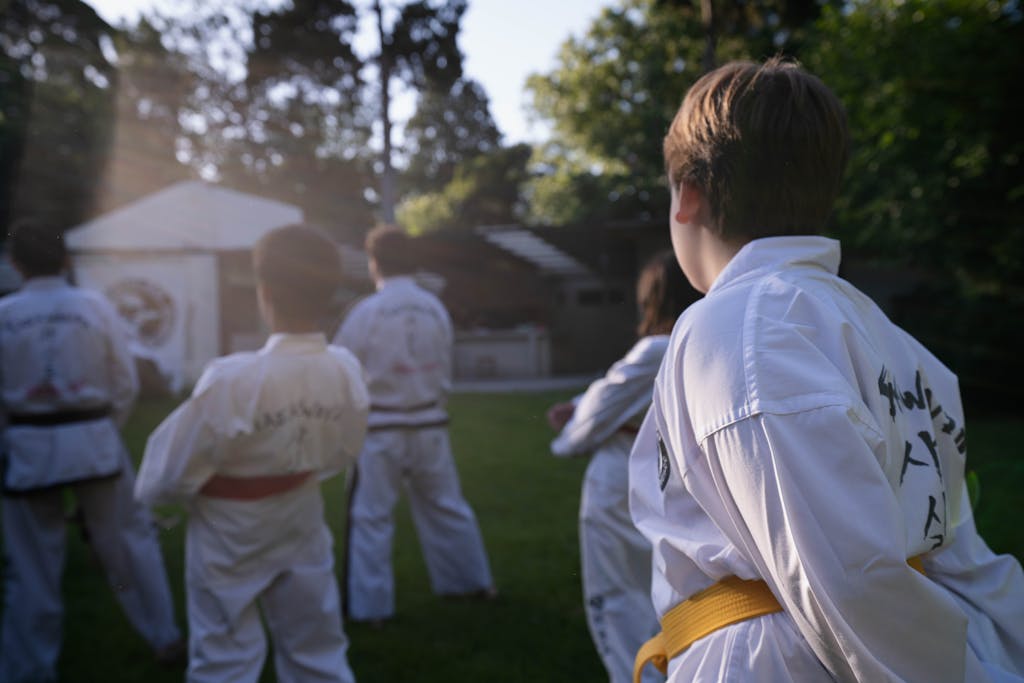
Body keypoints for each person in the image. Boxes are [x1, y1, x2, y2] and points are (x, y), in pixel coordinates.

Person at [630, 58, 1024, 683]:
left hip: (783, 660)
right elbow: (957, 554)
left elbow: (841, 575)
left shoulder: (739, 328)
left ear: (689, 195)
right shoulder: (895, 344)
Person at [135, 224, 369, 683]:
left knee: (224, 652)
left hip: (229, 527)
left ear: (265, 293)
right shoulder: (344, 368)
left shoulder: (231, 379)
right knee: (315, 643)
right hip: (301, 511)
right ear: (329, 293)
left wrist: (172, 495)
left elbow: (168, 472)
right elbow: (345, 446)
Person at [0, 218, 183, 683]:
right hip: (93, 440)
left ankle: (30, 669)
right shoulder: (94, 306)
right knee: (126, 542)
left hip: (28, 445)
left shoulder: (5, 315)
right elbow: (124, 381)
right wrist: (104, 425)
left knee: (31, 564)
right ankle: (162, 636)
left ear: (16, 264)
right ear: (65, 259)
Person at [334, 225, 495, 624]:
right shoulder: (433, 308)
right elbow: (446, 363)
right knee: (447, 506)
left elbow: (340, 368)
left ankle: (371, 609)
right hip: (429, 424)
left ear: (374, 263)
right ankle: (471, 583)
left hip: (381, 430)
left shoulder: (365, 312)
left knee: (370, 518)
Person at [548, 250, 692, 683]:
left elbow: (598, 410)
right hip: (683, 479)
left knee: (617, 594)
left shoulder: (657, 349)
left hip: (623, 477)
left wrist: (568, 432)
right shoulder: (709, 340)